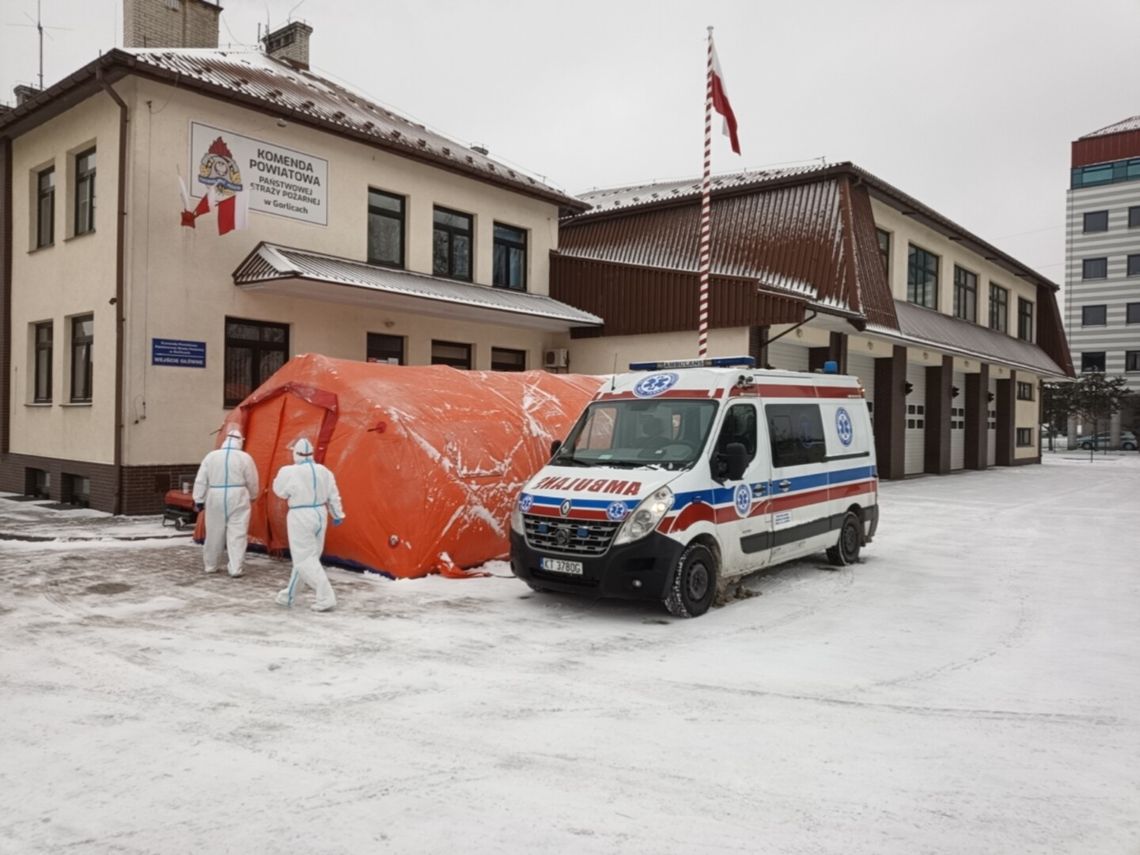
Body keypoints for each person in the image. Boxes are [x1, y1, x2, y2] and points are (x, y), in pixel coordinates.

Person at [273, 437, 346, 612]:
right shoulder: (324, 471)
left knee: (304, 559)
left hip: (300, 514)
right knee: (309, 558)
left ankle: (325, 597)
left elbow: (280, 492)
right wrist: (337, 514)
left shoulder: (289, 471)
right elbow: (333, 495)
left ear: (295, 454)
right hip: (320, 514)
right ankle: (288, 595)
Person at [192, 426, 259, 577]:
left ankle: (211, 565)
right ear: (240, 442)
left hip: (215, 494)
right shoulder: (245, 458)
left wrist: (198, 498)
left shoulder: (211, 456)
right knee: (238, 532)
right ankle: (235, 568)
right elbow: (252, 479)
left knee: (214, 532)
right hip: (238, 495)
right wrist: (253, 495)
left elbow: (201, 479)